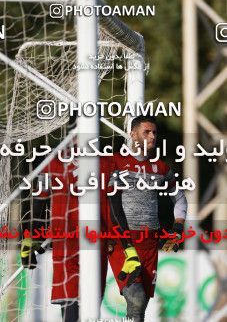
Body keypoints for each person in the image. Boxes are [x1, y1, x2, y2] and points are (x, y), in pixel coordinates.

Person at [106, 115, 188, 322]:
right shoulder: (116, 162)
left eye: (155, 132)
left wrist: (178, 227)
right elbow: (109, 202)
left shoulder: (160, 168)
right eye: (147, 132)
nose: (152, 136)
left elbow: (180, 198)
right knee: (136, 297)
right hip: (123, 240)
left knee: (140, 307)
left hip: (150, 242)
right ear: (133, 134)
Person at [20, 148, 110, 322]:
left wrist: (30, 237)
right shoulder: (105, 160)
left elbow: (39, 200)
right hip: (88, 243)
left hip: (69, 244)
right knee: (84, 308)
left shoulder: (53, 161)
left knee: (74, 307)